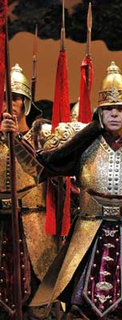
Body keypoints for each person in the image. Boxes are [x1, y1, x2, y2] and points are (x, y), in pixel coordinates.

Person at [3, 62, 122, 318]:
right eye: (108, 109)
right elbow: (40, 168)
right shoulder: (82, 143)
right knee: (82, 309)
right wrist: (14, 139)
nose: (114, 113)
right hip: (89, 236)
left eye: (120, 108)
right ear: (99, 113)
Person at [0, 64, 56, 317]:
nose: (10, 103)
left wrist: (17, 140)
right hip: (2, 224)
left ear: (26, 102)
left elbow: (44, 171)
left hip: (35, 223)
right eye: (5, 97)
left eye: (15, 98)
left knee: (37, 300)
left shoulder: (42, 135)